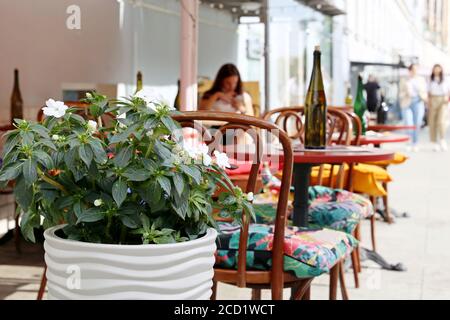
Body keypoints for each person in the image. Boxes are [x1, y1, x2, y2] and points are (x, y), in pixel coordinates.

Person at [399, 64, 427, 152]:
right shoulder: (404, 80)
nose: (415, 71)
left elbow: (425, 92)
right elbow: (400, 93)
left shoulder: (421, 80)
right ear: (410, 70)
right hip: (407, 102)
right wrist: (406, 93)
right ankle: (409, 142)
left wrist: (422, 95)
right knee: (408, 123)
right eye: (413, 69)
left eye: (416, 69)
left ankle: (415, 142)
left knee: (417, 123)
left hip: (418, 102)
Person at [427, 64, 449, 152]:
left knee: (441, 121)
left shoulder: (445, 79)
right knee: (432, 122)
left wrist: (447, 98)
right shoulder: (430, 80)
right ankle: (434, 142)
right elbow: (427, 91)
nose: (436, 71)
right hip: (433, 99)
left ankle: (442, 139)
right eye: (435, 69)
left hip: (443, 100)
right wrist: (428, 102)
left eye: (438, 69)